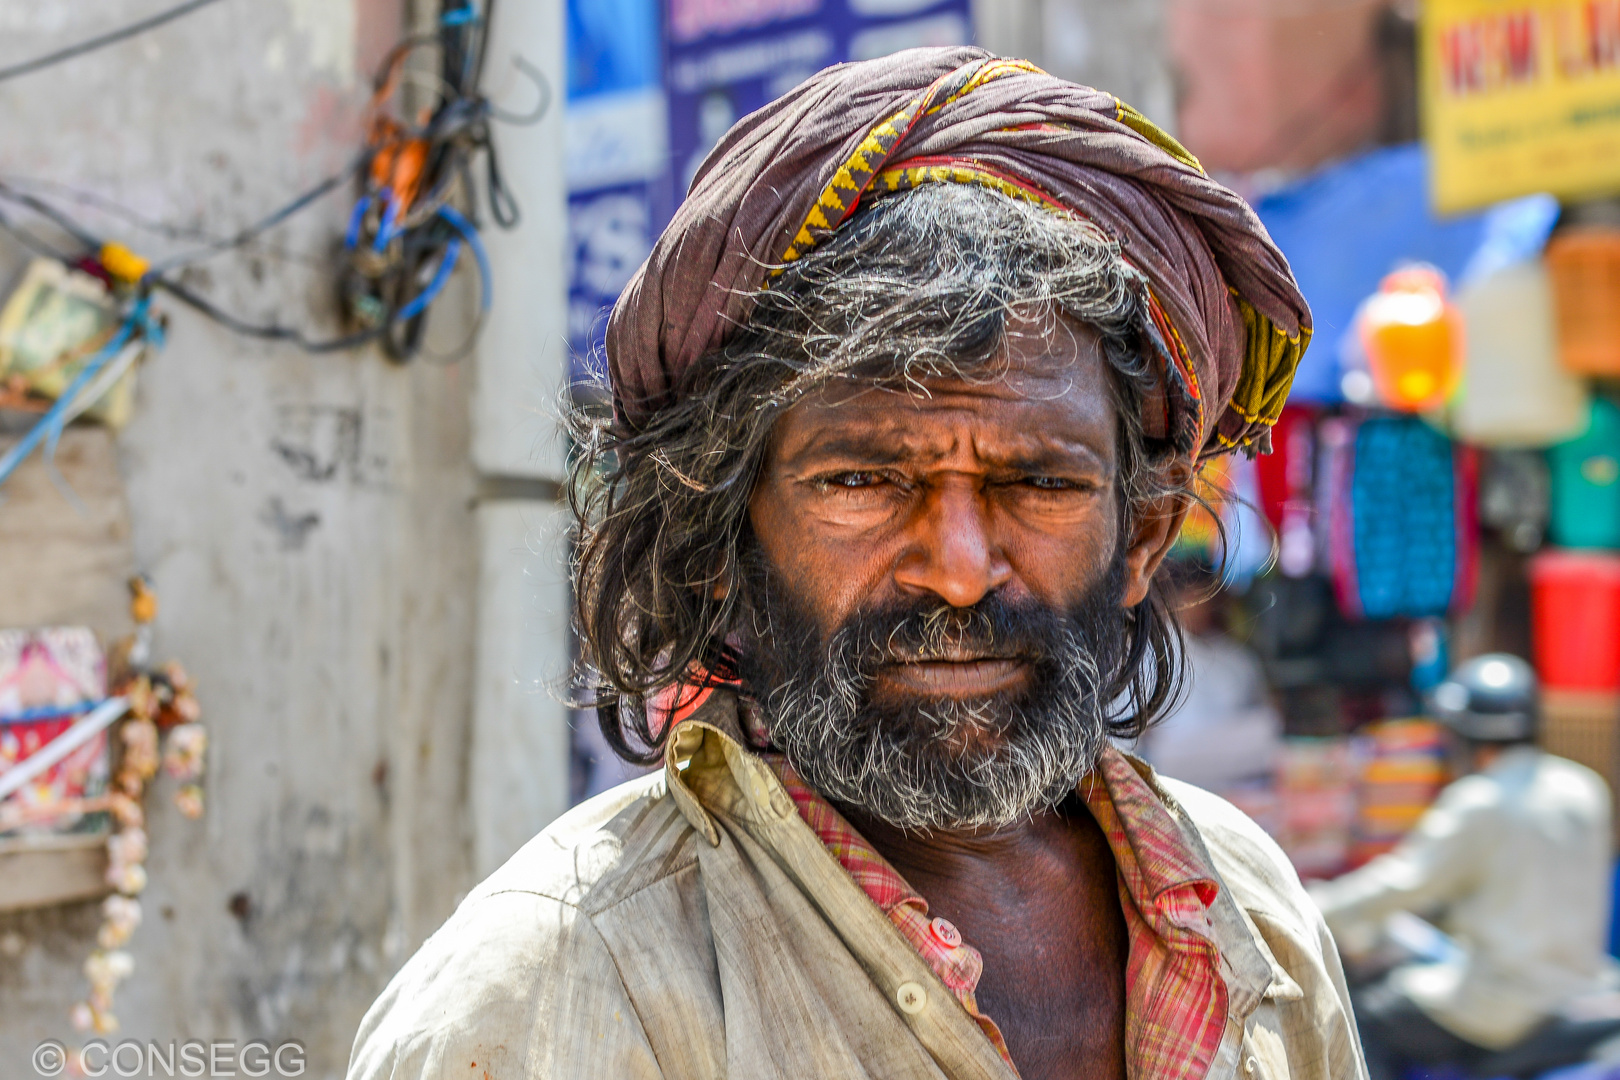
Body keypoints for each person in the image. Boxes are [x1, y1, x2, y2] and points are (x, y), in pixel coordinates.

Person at [348, 48, 1364, 1080]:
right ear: (724, 537)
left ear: (1141, 537)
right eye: (864, 483)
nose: (961, 571)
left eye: (1039, 485)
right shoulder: (554, 993)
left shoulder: (1254, 917)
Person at [1311, 653, 1614, 1080]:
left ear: (1468, 740)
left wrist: (1313, 907)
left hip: (1502, 1008)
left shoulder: (1480, 802)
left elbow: (1400, 885)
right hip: (1577, 988)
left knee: (1367, 1017)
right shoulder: (1584, 788)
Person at [1134, 560, 1283, 800]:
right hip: (1173, 772)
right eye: (1196, 599)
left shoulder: (1236, 657)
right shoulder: (1150, 652)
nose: (1206, 608)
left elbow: (1267, 716)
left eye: (1210, 599)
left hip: (1236, 778)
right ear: (1173, 600)